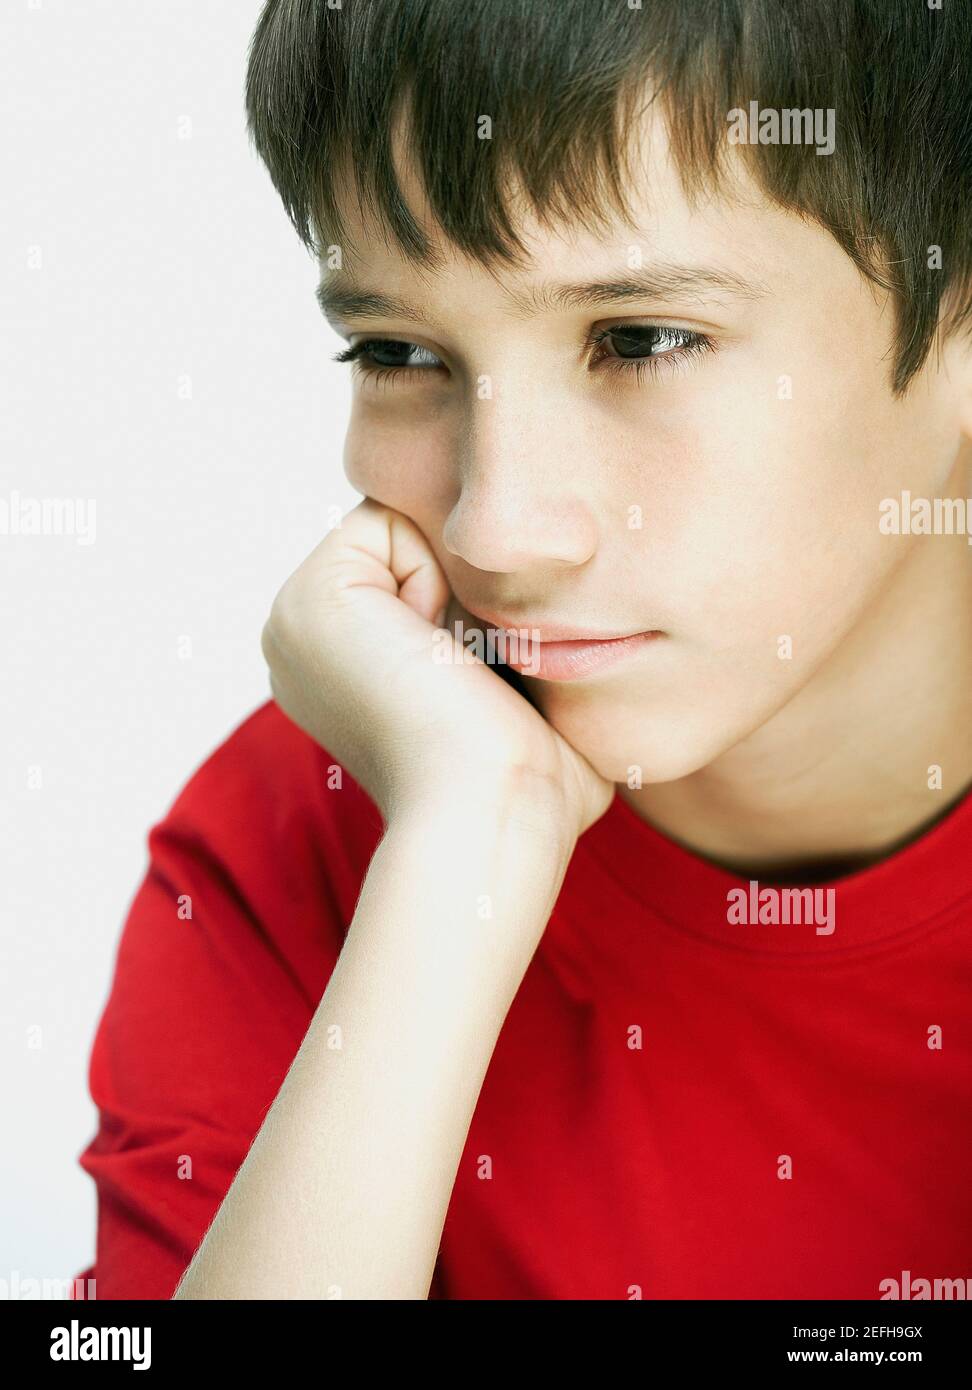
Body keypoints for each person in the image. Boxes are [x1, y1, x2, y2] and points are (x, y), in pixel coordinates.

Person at [74, 0, 972, 1300]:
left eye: (643, 339)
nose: (497, 527)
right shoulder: (293, 845)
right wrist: (463, 855)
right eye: (397, 351)